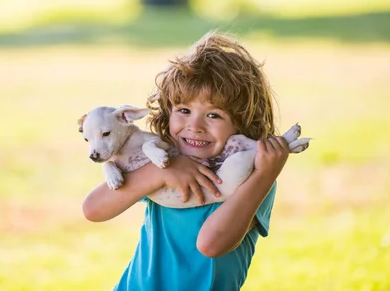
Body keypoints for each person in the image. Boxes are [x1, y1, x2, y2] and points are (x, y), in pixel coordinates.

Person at [82, 31, 290, 291]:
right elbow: (93, 209)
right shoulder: (164, 161)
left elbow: (211, 244)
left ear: (243, 122)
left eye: (214, 115)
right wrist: (161, 174)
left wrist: (264, 176)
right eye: (183, 111)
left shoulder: (254, 176)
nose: (195, 126)